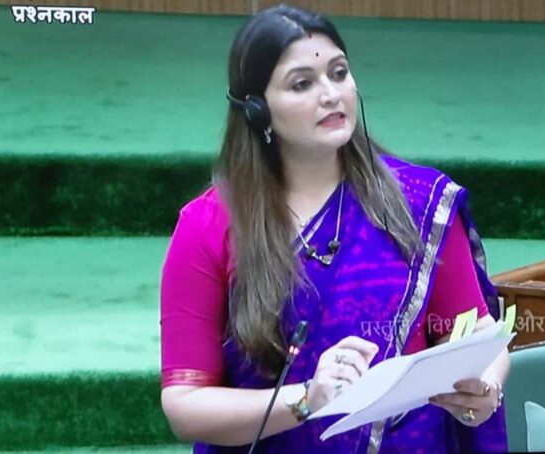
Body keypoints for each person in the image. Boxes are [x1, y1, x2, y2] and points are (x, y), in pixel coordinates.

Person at [160, 4, 510, 453]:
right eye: (302, 83)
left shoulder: (419, 203)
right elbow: (186, 404)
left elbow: (476, 333)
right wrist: (307, 399)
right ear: (256, 110)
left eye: (339, 73)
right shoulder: (208, 226)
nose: (331, 94)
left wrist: (484, 388)